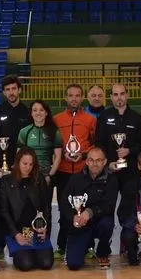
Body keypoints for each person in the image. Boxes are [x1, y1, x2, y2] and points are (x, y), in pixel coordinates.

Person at [52, 85, 97, 260]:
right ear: (65, 97)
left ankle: (88, 246)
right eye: (71, 95)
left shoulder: (90, 120)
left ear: (82, 98)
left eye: (77, 96)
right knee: (65, 210)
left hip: (83, 171)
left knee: (85, 208)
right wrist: (62, 154)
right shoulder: (56, 120)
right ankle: (62, 246)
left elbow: (95, 145)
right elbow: (53, 144)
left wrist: (84, 155)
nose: (74, 99)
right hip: (62, 171)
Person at [0, 148, 54, 272]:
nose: (28, 167)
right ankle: (16, 251)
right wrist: (15, 234)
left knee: (46, 264)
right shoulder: (6, 181)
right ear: (18, 162)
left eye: (31, 164)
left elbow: (46, 207)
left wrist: (45, 228)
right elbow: (4, 211)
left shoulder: (39, 179)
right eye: (25, 164)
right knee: (26, 264)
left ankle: (33, 251)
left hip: (36, 230)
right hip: (17, 232)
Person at [63, 146, 117, 270]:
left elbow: (108, 206)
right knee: (74, 264)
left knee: (107, 224)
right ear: (86, 162)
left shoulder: (111, 180)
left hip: (99, 223)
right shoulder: (75, 179)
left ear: (104, 162)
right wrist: (73, 216)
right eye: (91, 160)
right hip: (80, 225)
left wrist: (89, 212)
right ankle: (85, 246)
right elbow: (64, 202)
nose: (95, 164)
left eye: (98, 160)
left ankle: (103, 251)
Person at [97, 83, 141, 191]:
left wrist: (130, 150)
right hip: (109, 169)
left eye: (122, 94)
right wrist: (108, 162)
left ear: (127, 95)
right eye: (115, 94)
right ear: (111, 97)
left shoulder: (137, 118)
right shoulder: (103, 116)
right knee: (107, 204)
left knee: (130, 204)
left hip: (131, 170)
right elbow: (99, 143)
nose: (119, 97)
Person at [0, 75, 32, 177]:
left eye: (14, 88)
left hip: (24, 163)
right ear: (4, 93)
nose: (11, 92)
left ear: (19, 90)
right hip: (2, 165)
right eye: (7, 90)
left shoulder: (28, 112)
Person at [17, 100, 62, 190]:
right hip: (28, 176)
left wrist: (50, 175)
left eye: (41, 110)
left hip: (46, 176)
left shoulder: (54, 132)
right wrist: (24, 175)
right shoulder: (24, 131)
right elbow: (19, 156)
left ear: (46, 113)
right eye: (35, 110)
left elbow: (58, 157)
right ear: (31, 113)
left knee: (45, 204)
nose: (38, 113)